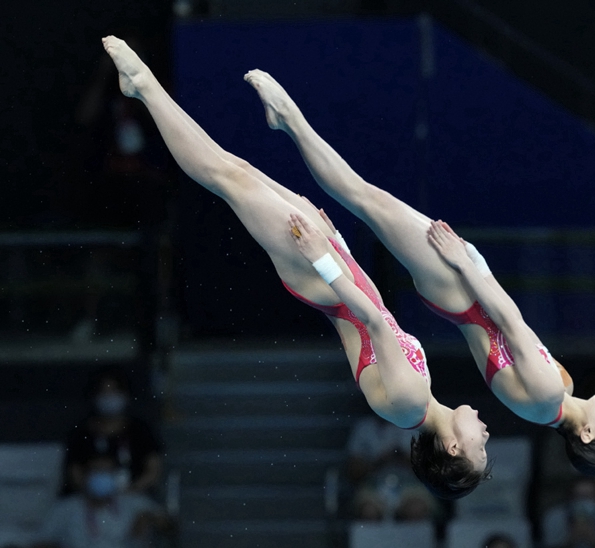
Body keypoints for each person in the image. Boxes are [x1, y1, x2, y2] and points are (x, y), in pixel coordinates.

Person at [100, 36, 491, 500]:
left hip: (323, 281)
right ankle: (162, 91)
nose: (486, 434)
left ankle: (143, 86)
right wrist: (339, 246)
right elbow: (379, 314)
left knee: (228, 180)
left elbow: (370, 320)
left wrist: (322, 257)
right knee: (239, 171)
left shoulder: (409, 405)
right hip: (335, 275)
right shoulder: (420, 397)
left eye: (480, 448)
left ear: (451, 448)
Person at [242, 70, 595, 477]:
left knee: (364, 197)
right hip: (469, 289)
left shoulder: (548, 396)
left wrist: (465, 265)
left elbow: (510, 321)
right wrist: (475, 268)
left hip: (461, 290)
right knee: (366, 199)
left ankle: (288, 119)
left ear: (587, 433)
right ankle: (288, 122)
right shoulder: (558, 393)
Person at [29, 452, 171, 548]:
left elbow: (171, 526)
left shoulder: (134, 502)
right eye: (97, 471)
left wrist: (149, 518)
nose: (102, 476)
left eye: (106, 472)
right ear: (84, 475)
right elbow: (40, 542)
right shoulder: (66, 507)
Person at [63, 368, 162, 496]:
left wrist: (131, 491)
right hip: (87, 499)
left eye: (114, 391)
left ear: (125, 395)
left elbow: (153, 469)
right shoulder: (81, 433)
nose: (109, 397)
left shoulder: (140, 430)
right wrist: (92, 494)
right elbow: (74, 470)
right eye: (104, 392)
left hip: (132, 497)